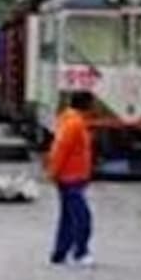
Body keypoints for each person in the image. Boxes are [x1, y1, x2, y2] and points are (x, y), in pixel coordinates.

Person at [45, 90, 96, 267]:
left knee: (68, 217)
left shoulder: (70, 121)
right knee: (82, 217)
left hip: (70, 176)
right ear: (86, 105)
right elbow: (61, 149)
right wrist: (53, 171)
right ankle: (80, 252)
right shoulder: (74, 123)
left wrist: (54, 172)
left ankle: (60, 253)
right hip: (71, 177)